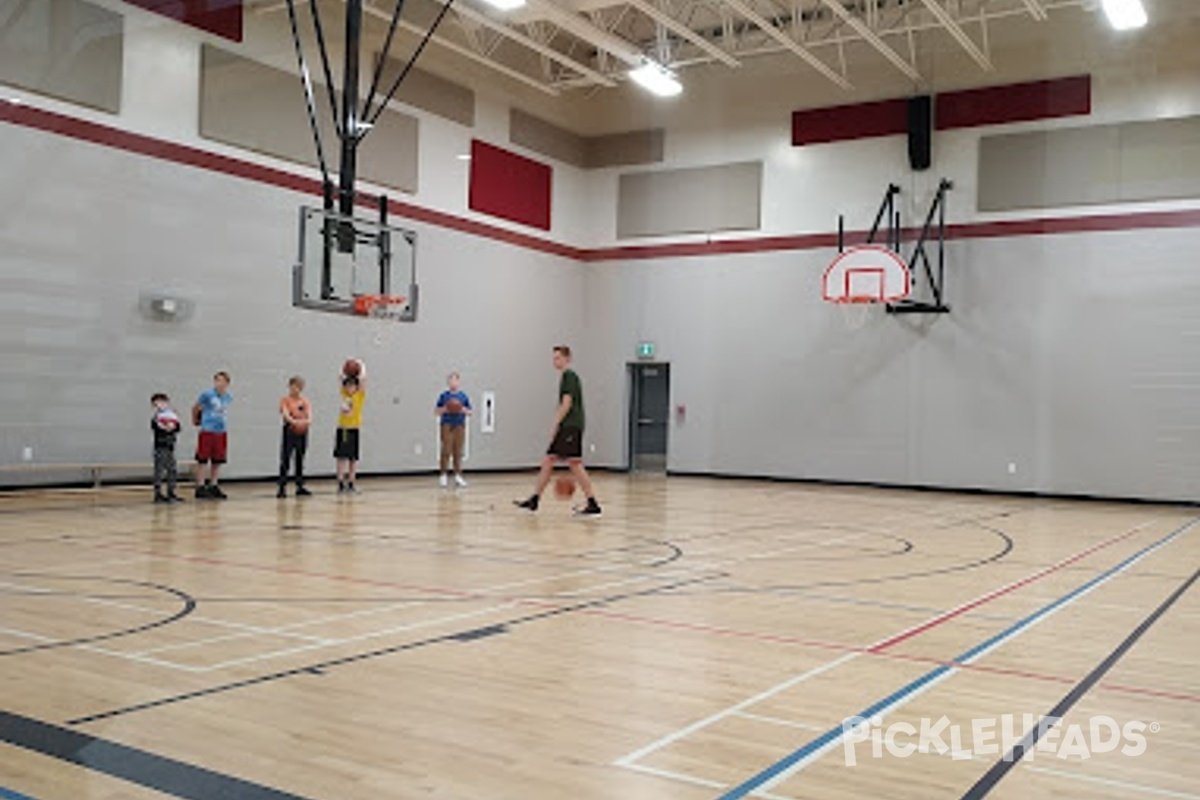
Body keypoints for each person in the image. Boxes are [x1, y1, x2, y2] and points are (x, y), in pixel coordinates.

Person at [515, 346, 601, 517]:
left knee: (574, 463)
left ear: (567, 359)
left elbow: (567, 403)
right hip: (568, 426)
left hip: (571, 425)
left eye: (558, 358)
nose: (555, 361)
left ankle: (593, 503)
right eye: (554, 358)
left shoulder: (569, 376)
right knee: (550, 460)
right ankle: (535, 499)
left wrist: (556, 423)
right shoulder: (567, 376)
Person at [193, 371, 232, 499]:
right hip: (208, 430)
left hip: (220, 431)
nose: (219, 383)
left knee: (217, 460)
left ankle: (214, 484)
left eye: (222, 381)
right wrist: (196, 420)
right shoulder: (207, 395)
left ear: (227, 383)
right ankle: (200, 485)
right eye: (217, 380)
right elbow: (196, 407)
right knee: (203, 459)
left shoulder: (228, 397)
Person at [435, 372, 472, 489]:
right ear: (448, 383)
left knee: (458, 451)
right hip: (446, 424)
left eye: (455, 380)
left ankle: (458, 475)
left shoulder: (463, 396)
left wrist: (462, 409)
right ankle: (443, 475)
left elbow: (470, 412)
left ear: (458, 382)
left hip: (460, 425)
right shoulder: (444, 396)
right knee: (446, 450)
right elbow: (436, 411)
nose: (453, 383)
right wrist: (445, 409)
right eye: (451, 380)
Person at [278, 376, 312, 498]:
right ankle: (282, 487)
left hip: (302, 432)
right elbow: (286, 414)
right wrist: (295, 422)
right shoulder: (285, 400)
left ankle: (299, 486)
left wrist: (305, 422)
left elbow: (309, 416)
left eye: (298, 387)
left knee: (299, 458)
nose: (295, 389)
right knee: (285, 458)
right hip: (290, 430)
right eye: (293, 386)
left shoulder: (304, 401)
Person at [335, 361, 366, 493]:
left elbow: (363, 382)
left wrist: (361, 367)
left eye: (352, 385)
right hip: (343, 429)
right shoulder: (344, 394)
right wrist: (344, 370)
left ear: (356, 387)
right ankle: (340, 482)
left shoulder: (359, 396)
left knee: (353, 459)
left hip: (354, 429)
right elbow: (340, 378)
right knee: (341, 458)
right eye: (348, 386)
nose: (350, 388)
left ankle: (351, 483)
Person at [150, 393, 183, 504]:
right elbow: (156, 427)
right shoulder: (156, 417)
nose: (160, 405)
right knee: (159, 471)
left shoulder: (172, 415)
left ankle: (171, 492)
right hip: (160, 447)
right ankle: (158, 494)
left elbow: (178, 428)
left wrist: (173, 425)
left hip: (170, 447)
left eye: (162, 402)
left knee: (172, 470)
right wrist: (165, 427)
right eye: (157, 403)